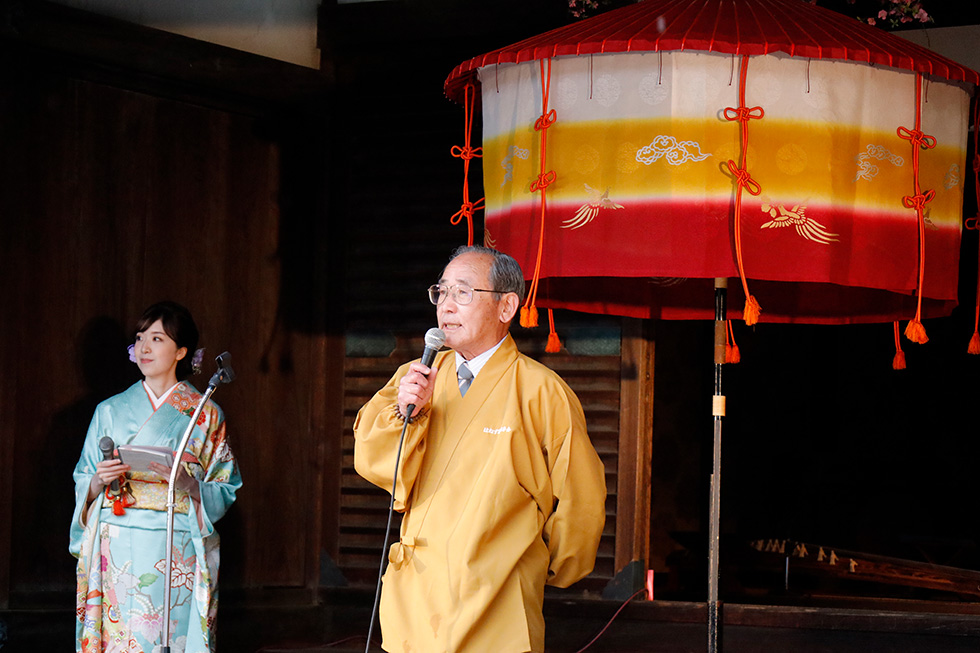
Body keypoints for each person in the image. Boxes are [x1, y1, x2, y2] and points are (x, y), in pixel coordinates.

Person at [354, 245, 606, 653]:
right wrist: (407, 414)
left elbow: (582, 497)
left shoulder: (541, 391)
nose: (447, 306)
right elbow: (374, 460)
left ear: (507, 306)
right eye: (442, 292)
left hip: (497, 599)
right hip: (417, 599)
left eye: (463, 293)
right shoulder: (414, 378)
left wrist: (537, 566)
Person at [69, 301, 242, 653]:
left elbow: (226, 486)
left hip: (175, 544)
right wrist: (99, 481)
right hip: (118, 537)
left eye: (158, 338)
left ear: (182, 351)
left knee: (169, 636)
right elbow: (83, 476)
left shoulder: (206, 414)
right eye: (140, 338)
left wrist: (189, 483)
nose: (144, 347)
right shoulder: (110, 410)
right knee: (120, 636)